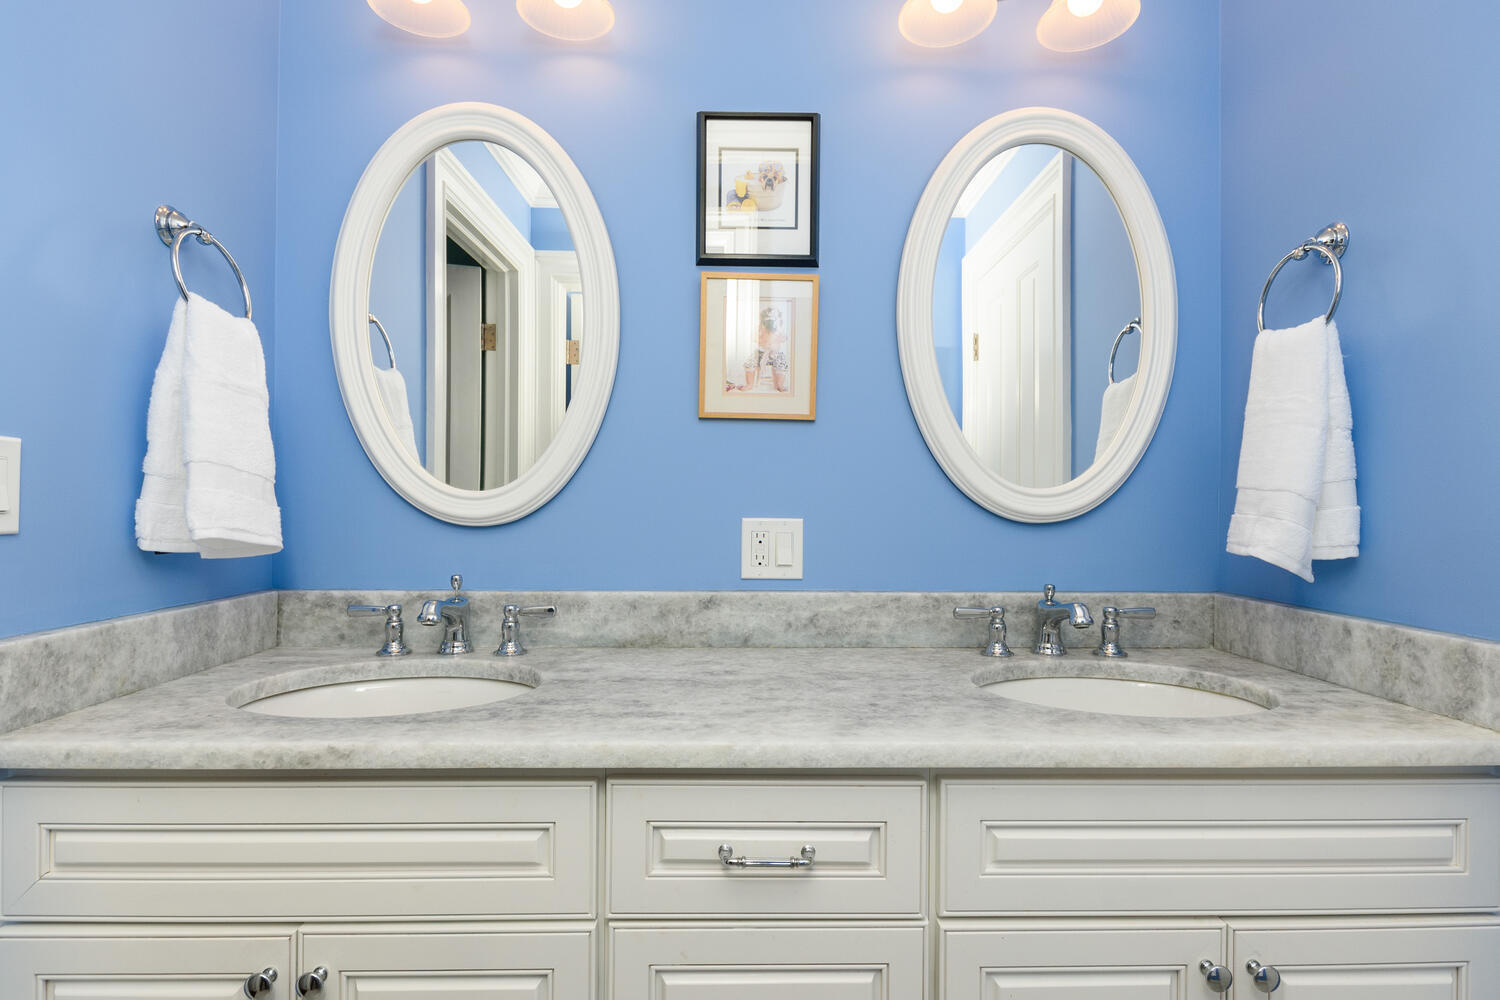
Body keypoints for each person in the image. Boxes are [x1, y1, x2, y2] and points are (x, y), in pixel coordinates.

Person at [736, 305, 790, 393]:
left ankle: (779, 385)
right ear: (762, 322)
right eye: (766, 322)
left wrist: (778, 338)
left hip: (775, 353)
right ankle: (749, 384)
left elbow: (785, 338)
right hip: (761, 352)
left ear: (778, 322)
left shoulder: (779, 330)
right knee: (750, 363)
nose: (770, 325)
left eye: (773, 321)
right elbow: (753, 338)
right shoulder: (761, 329)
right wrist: (760, 339)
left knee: (781, 365)